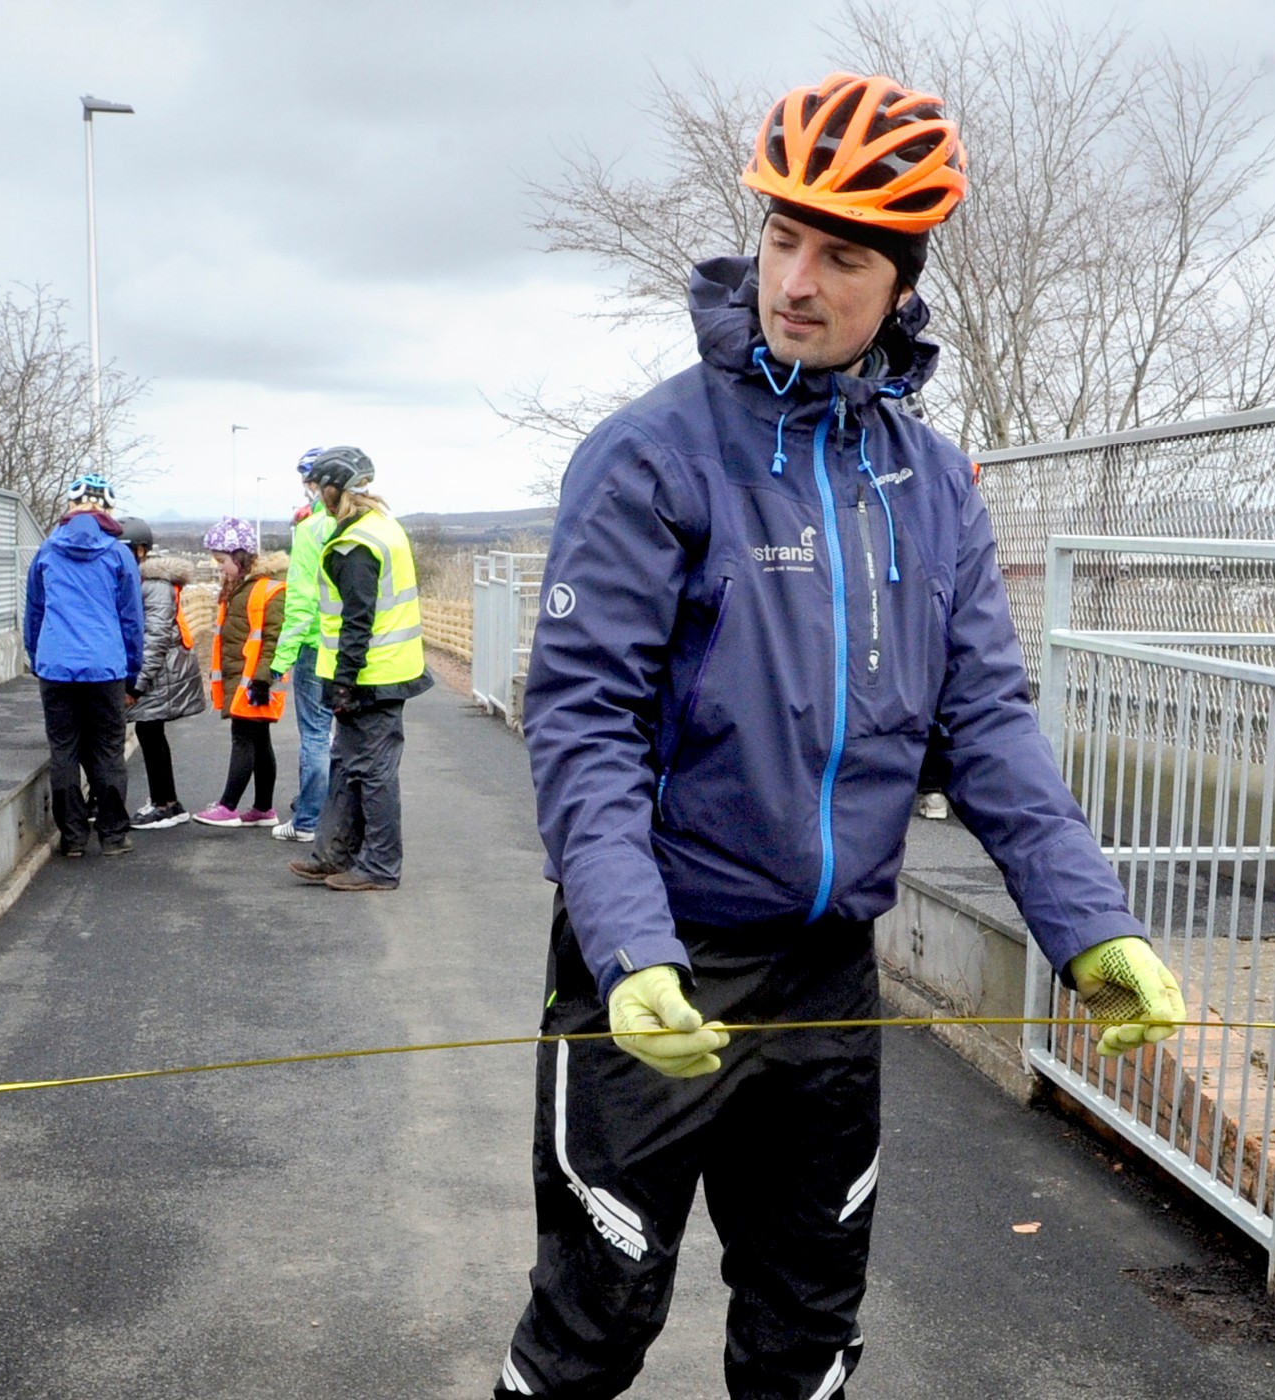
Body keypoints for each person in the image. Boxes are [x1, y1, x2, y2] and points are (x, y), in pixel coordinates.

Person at [501, 72, 1185, 1400]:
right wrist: (635, 947)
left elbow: (984, 720)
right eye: (781, 236)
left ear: (904, 279)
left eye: (844, 253)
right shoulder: (652, 455)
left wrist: (1089, 923)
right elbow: (583, 718)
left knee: (807, 1331)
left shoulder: (929, 484)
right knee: (595, 1322)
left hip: (825, 976)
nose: (796, 279)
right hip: (654, 963)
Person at [285, 448, 425, 893]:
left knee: (374, 772)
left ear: (333, 490)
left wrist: (344, 681)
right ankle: (333, 854)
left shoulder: (355, 544)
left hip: (371, 676)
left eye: (318, 488)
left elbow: (356, 620)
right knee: (346, 765)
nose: (316, 496)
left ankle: (380, 866)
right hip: (379, 670)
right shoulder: (380, 526)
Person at [23, 473, 144, 857]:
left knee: (64, 751)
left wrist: (38, 657)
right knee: (108, 750)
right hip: (106, 668)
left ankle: (72, 838)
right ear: (108, 509)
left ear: (70, 507)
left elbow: (34, 613)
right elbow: (131, 621)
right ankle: (112, 835)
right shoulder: (118, 553)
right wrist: (132, 673)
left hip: (56, 667)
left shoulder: (46, 551)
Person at [257, 453, 345, 844]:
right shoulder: (364, 526)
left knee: (315, 735)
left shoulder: (310, 531)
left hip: (315, 645)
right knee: (348, 738)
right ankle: (337, 815)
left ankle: (308, 820)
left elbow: (301, 605)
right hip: (357, 646)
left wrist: (279, 661)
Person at [195, 516, 287, 828]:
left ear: (240, 556)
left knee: (244, 738)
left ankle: (228, 806)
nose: (219, 566)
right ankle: (263, 808)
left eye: (222, 560)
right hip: (247, 677)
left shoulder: (266, 590)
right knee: (260, 740)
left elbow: (273, 638)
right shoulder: (241, 588)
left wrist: (263, 678)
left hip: (253, 679)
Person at [129, 521, 207, 831]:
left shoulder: (154, 584)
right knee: (150, 733)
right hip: (161, 670)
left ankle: (165, 806)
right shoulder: (148, 582)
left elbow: (157, 636)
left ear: (140, 551)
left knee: (150, 732)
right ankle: (167, 802)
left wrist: (138, 683)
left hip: (161, 672)